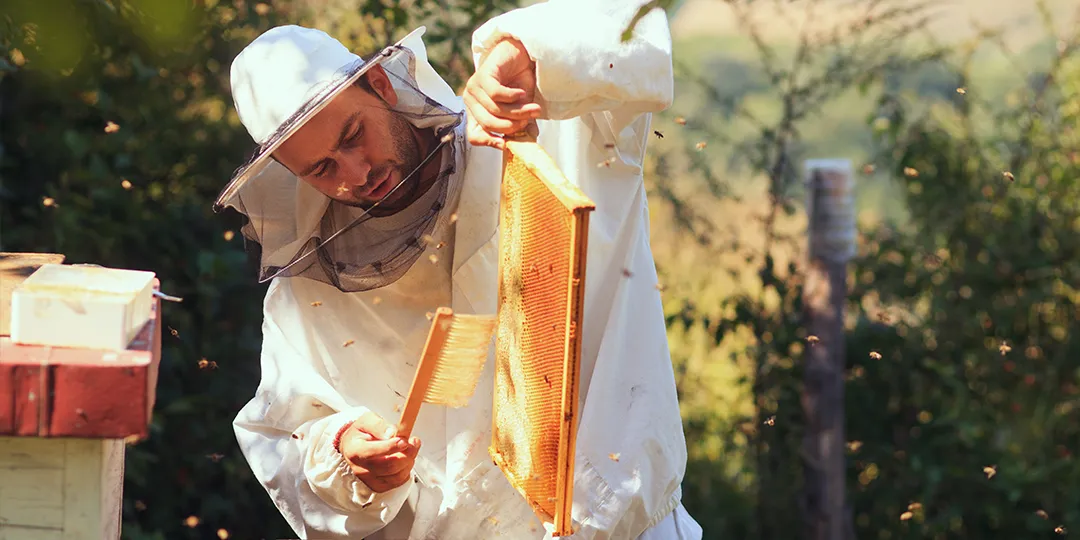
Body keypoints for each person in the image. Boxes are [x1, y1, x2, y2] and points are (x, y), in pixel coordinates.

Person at [214, 1, 702, 538]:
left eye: (353, 135)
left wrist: (525, 50)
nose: (356, 173)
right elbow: (286, 432)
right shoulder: (308, 290)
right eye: (322, 168)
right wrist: (346, 452)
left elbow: (628, 24)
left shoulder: (550, 127)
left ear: (379, 83)